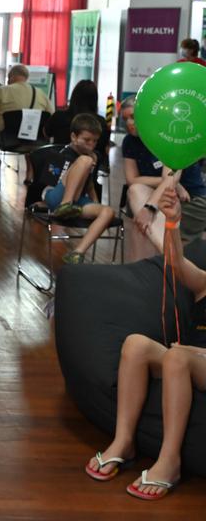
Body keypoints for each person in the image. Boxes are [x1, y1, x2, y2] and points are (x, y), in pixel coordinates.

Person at [85, 178, 206, 501]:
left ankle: (170, 461)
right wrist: (172, 222)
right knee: (136, 343)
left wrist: (192, 351)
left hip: (194, 359)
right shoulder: (205, 283)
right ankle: (123, 442)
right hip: (185, 359)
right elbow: (176, 263)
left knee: (177, 357)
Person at [119, 97, 206, 261]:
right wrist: (172, 183)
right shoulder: (129, 141)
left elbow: (170, 177)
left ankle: (171, 263)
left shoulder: (170, 134)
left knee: (142, 220)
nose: (129, 123)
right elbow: (132, 179)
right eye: (125, 119)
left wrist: (149, 208)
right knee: (135, 192)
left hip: (191, 201)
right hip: (161, 197)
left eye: (133, 117)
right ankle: (170, 260)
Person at [37, 114, 116, 265]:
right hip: (56, 197)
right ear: (74, 137)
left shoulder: (94, 156)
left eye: (95, 141)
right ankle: (65, 205)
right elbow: (49, 183)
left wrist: (96, 203)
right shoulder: (63, 153)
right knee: (85, 161)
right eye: (87, 140)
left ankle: (77, 253)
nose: (91, 145)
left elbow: (90, 184)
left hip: (78, 201)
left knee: (108, 212)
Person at [0, 64, 53, 186]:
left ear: (11, 77)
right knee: (29, 133)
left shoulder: (3, 90)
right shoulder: (41, 93)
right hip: (36, 142)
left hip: (8, 141)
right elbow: (51, 118)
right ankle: (29, 175)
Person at [45, 79, 110, 160]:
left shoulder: (58, 116)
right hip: (91, 165)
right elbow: (104, 148)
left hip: (58, 162)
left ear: (73, 96)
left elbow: (46, 134)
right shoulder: (100, 122)